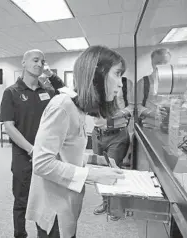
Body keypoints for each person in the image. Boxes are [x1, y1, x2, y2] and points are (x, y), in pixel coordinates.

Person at [26, 45, 126, 238]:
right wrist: (94, 176)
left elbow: (67, 152)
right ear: (97, 74)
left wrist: (96, 160)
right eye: (117, 74)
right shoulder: (62, 106)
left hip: (68, 200)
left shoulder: (78, 108)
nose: (121, 84)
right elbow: (41, 163)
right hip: (54, 208)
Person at [0, 49, 64, 238]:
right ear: (24, 63)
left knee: (45, 201)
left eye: (42, 62)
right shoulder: (11, 92)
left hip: (46, 155)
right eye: (35, 60)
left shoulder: (48, 91)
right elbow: (9, 127)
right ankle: (20, 234)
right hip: (23, 156)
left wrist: (51, 75)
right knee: (22, 201)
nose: (39, 64)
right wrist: (30, 149)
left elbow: (68, 93)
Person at [92, 76, 133, 220]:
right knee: (100, 169)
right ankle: (105, 202)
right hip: (98, 133)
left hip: (117, 134)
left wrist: (120, 113)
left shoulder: (125, 83)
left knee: (113, 168)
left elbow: (133, 106)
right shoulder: (95, 84)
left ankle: (115, 207)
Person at [137, 48, 171, 130]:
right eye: (158, 63)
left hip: (169, 128)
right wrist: (153, 113)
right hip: (148, 127)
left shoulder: (175, 83)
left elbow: (183, 103)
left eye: (165, 63)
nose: (161, 66)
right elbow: (136, 106)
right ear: (152, 63)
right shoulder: (143, 82)